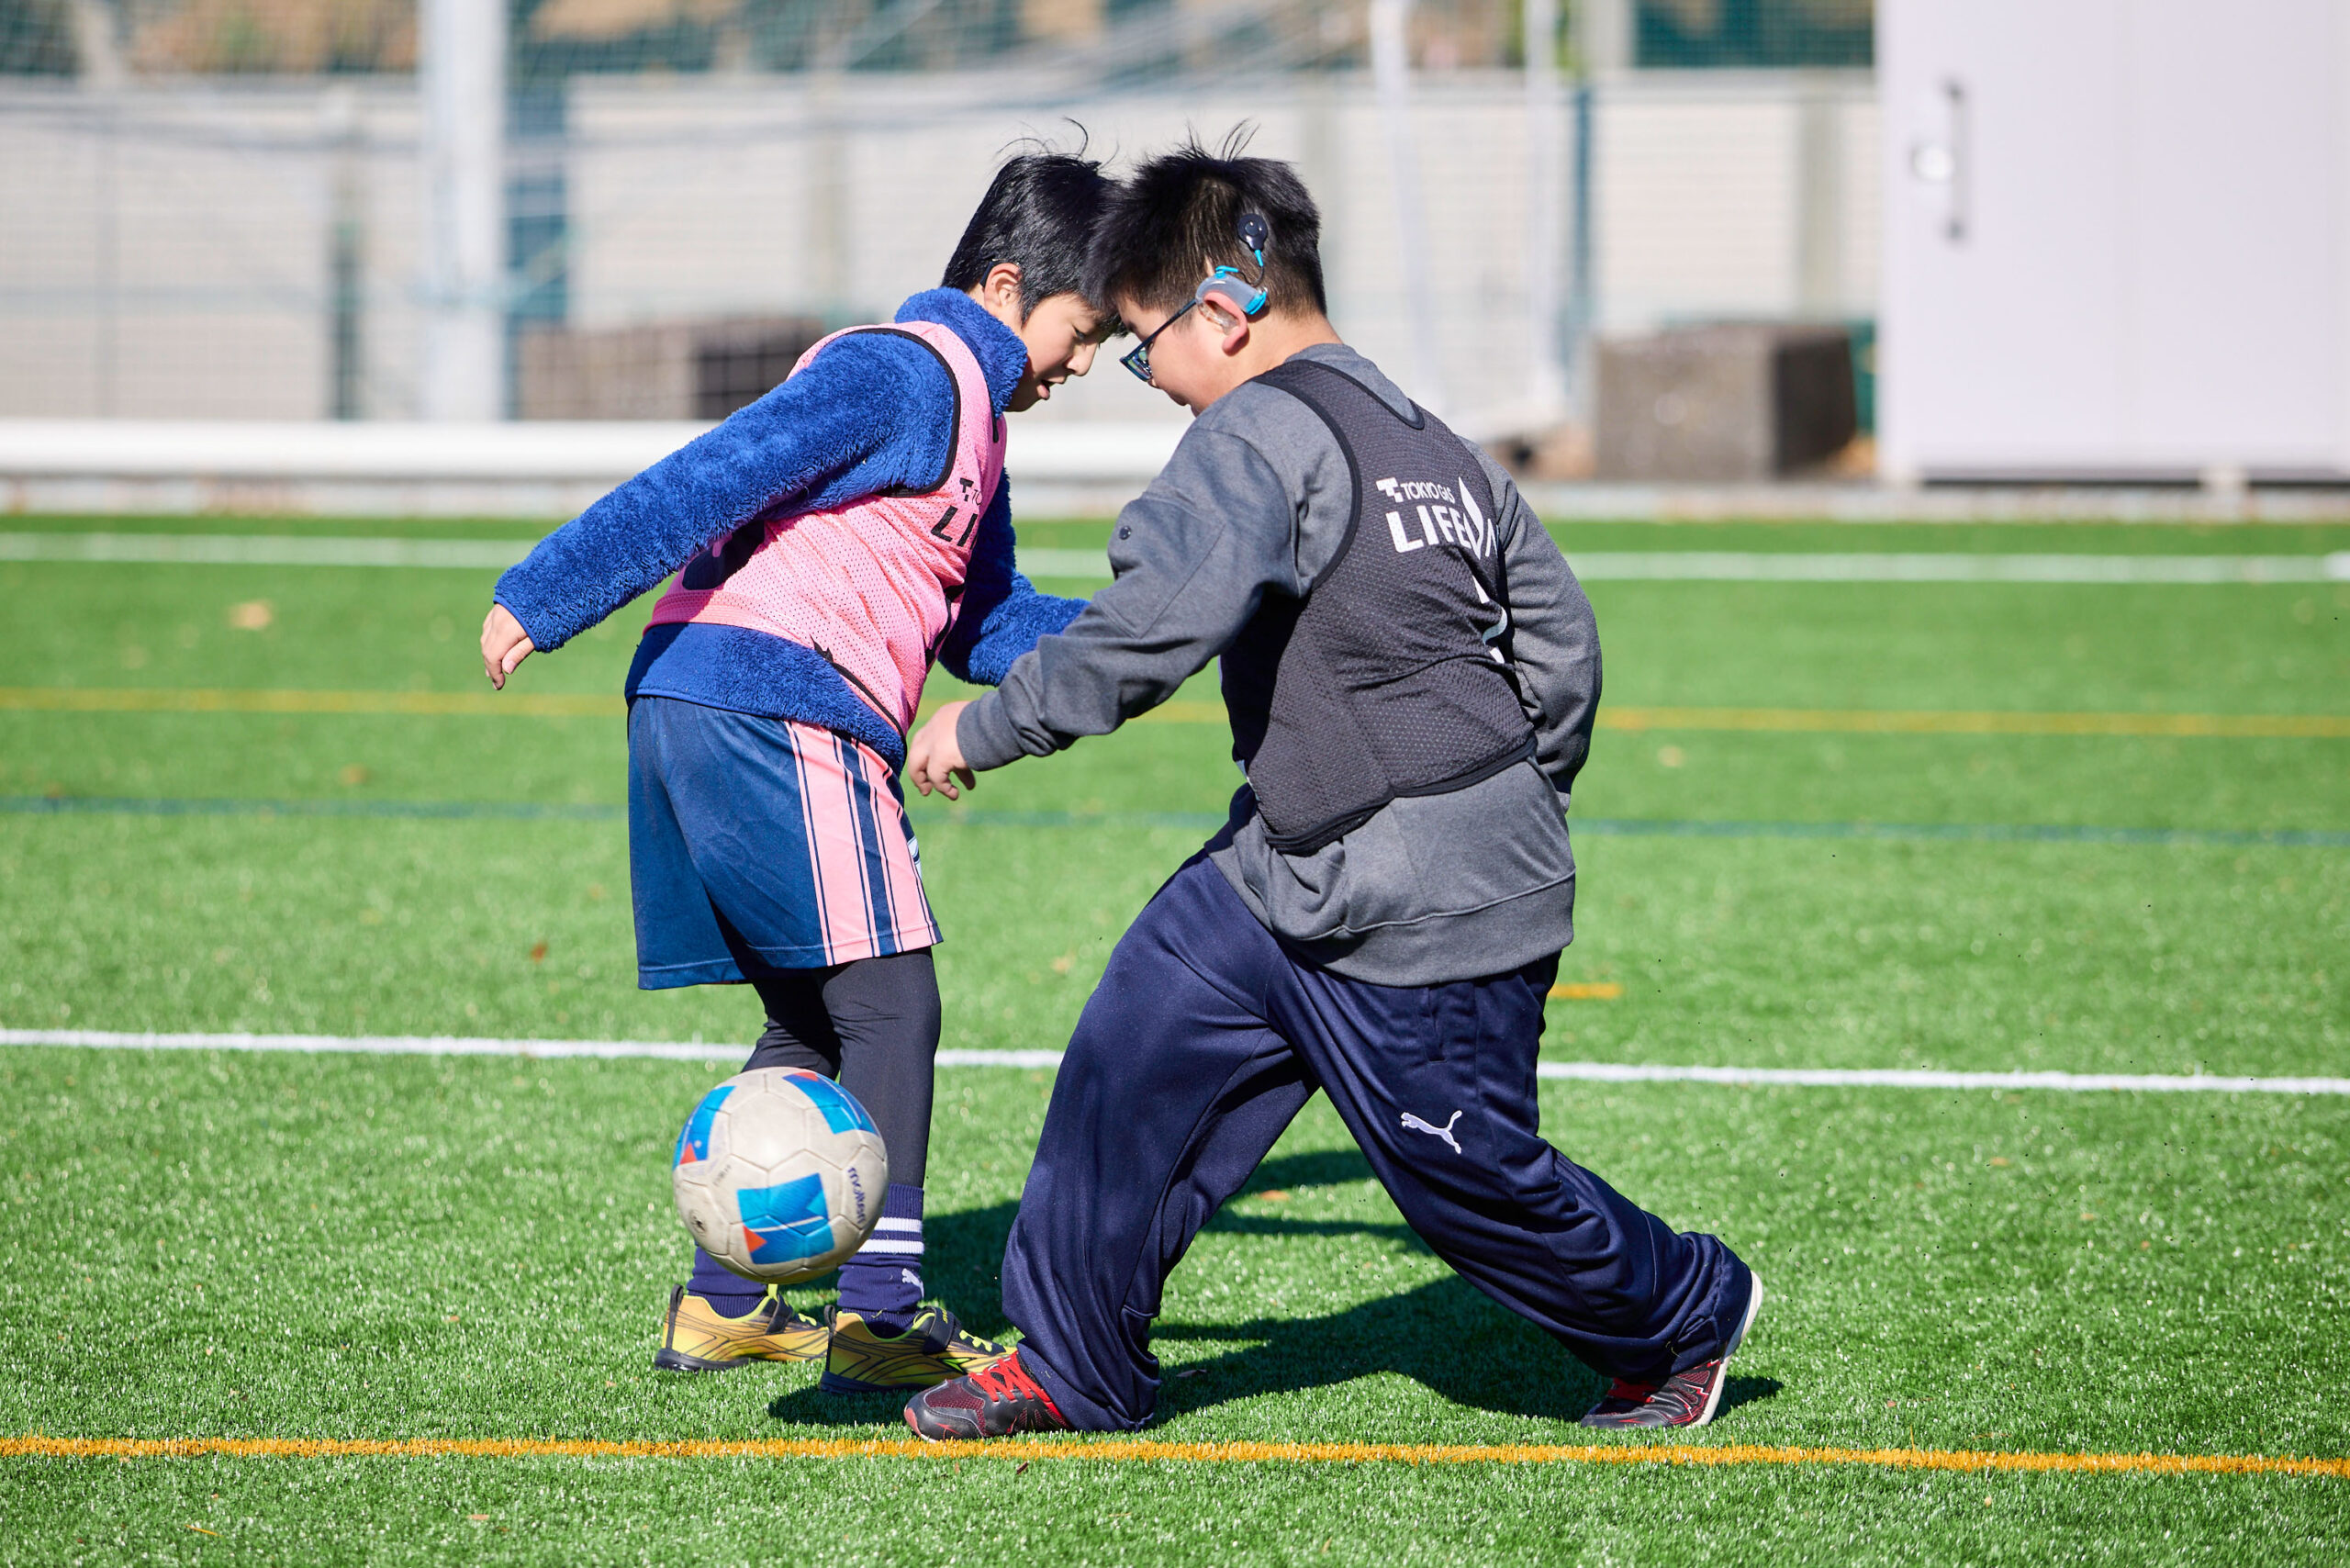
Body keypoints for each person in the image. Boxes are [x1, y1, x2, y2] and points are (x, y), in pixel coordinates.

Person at [896, 139, 1762, 1439]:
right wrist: (1511, 798)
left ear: (1226, 314)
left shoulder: (1255, 432)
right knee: (1138, 1045)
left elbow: (1151, 632)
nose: (1151, 381)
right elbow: (1563, 650)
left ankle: (1684, 1309)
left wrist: (985, 726)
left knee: (1462, 1175)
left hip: (1419, 899)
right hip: (1298, 862)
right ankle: (1076, 1360)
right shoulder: (1433, 441)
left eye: (1146, 349)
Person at [478, 151, 1115, 1395]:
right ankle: (878, 1314)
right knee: (892, 1004)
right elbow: (720, 468)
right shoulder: (904, 372)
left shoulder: (972, 420)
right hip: (770, 700)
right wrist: (549, 592)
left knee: (814, 1015)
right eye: (1080, 331)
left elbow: (983, 624)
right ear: (1003, 284)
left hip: (716, 697)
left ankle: (729, 1307)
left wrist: (1154, 626)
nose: (1083, 364)